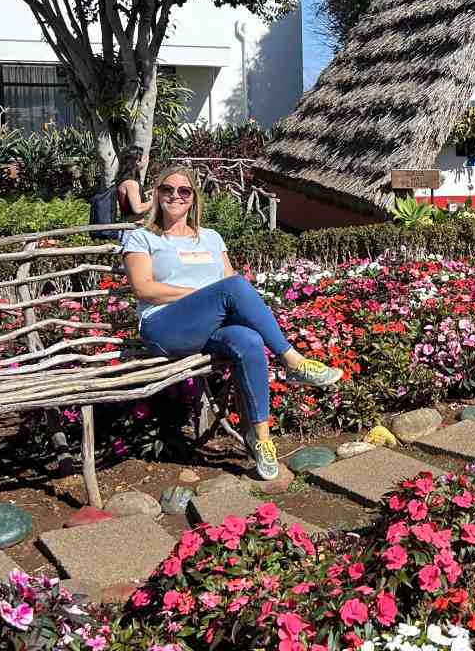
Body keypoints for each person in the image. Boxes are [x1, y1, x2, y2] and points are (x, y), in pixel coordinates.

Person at [122, 165, 341, 479]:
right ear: (156, 195)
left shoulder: (211, 237)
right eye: (167, 189)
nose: (175, 196)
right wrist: (200, 294)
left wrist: (225, 303)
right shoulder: (142, 237)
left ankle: (261, 439)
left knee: (249, 341)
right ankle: (293, 362)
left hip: (207, 328)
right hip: (163, 328)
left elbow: (227, 287)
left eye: (184, 191)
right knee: (235, 286)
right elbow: (143, 288)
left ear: (193, 198)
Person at [115, 146, 152, 223]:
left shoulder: (125, 181)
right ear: (137, 161)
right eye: (145, 158)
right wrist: (155, 200)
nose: (147, 161)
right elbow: (137, 209)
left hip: (130, 227)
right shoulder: (131, 183)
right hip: (131, 229)